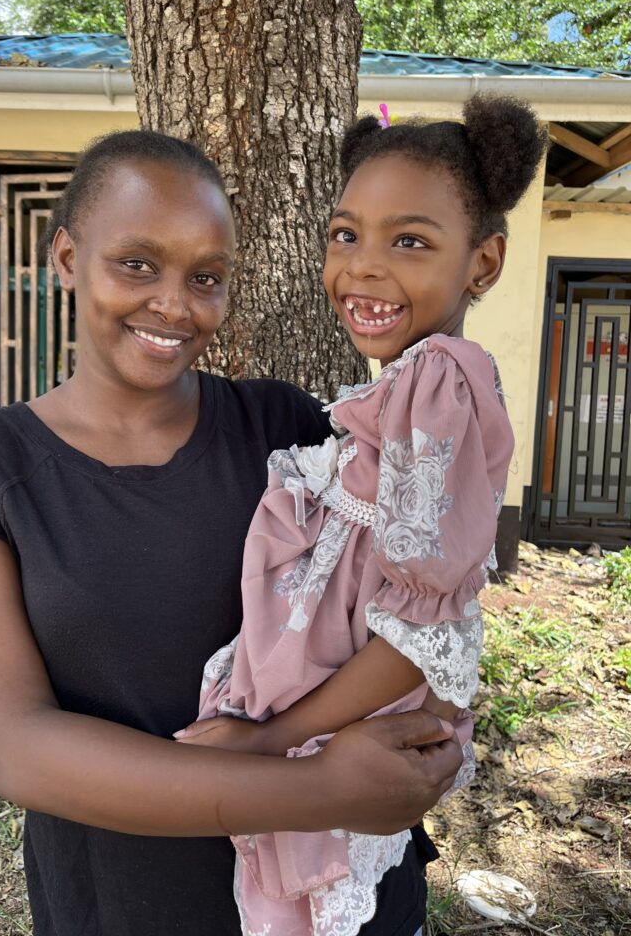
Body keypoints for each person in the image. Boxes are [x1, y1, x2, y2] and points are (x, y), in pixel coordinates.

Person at [0, 131, 464, 936]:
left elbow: (408, 611)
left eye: (206, 277)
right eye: (137, 263)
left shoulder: (286, 426)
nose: (174, 303)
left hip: (338, 895)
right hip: (133, 902)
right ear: (66, 257)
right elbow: (16, 745)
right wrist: (321, 787)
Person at [175, 95, 548, 935]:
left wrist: (270, 745)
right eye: (347, 235)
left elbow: (423, 628)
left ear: (482, 265)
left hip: (346, 712)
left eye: (409, 241)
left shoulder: (439, 379)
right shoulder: (407, 384)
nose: (364, 267)